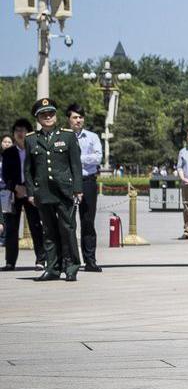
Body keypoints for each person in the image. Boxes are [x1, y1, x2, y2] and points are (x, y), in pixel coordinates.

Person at [24, 98, 82, 281]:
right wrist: (31, 192)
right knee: (48, 231)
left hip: (64, 191)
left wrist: (77, 189)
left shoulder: (67, 136)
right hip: (44, 192)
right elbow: (28, 169)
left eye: (51, 113)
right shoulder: (31, 139)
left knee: (68, 229)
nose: (48, 117)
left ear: (56, 115)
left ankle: (71, 266)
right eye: (43, 114)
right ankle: (52, 268)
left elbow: (75, 165)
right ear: (38, 118)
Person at [66, 105, 103, 272]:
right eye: (75, 117)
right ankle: (68, 259)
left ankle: (90, 260)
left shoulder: (92, 137)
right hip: (68, 183)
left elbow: (98, 158)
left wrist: (76, 158)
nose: (78, 120)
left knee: (88, 222)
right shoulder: (63, 137)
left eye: (80, 117)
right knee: (68, 223)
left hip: (87, 181)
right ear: (69, 119)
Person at [3, 118, 44, 271]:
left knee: (36, 226)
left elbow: (40, 172)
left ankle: (41, 259)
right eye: (17, 131)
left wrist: (30, 189)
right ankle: (10, 262)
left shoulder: (34, 149)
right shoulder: (8, 153)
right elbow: (5, 175)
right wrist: (16, 188)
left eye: (23, 130)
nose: (20, 133)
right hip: (14, 194)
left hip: (32, 192)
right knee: (12, 228)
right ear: (14, 134)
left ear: (29, 133)